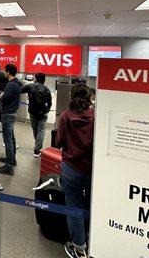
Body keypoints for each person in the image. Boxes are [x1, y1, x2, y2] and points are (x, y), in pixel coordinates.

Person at [56, 84, 94, 258]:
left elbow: (59, 141)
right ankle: (91, 237)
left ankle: (79, 247)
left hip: (72, 168)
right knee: (89, 204)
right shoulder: (95, 116)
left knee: (74, 207)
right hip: (92, 168)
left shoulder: (65, 116)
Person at [0, 63, 22, 175]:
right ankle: (12, 159)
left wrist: (1, 96)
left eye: (5, 71)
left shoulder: (11, 85)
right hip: (12, 113)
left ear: (9, 72)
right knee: (11, 137)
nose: (4, 73)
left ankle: (9, 166)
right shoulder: (16, 83)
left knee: (8, 140)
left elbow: (4, 98)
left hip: (7, 114)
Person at [21, 73, 52, 157]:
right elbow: (49, 103)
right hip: (43, 114)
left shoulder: (30, 86)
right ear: (44, 80)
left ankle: (37, 147)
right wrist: (46, 111)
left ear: (35, 78)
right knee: (41, 131)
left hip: (33, 112)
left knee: (35, 129)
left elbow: (20, 90)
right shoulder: (47, 89)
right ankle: (37, 149)